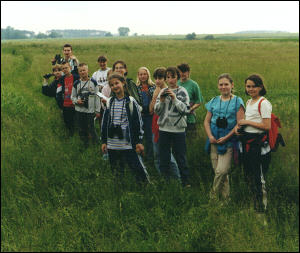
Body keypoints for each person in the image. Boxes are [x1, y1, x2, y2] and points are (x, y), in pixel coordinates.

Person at [101, 72, 150, 183]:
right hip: (113, 143)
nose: (115, 86)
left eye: (117, 83)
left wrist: (138, 141)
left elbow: (138, 123)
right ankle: (119, 189)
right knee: (116, 171)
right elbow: (105, 123)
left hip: (128, 144)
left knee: (138, 169)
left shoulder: (131, 102)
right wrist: (104, 141)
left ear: (123, 83)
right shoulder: (110, 102)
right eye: (112, 85)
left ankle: (145, 188)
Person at [235, 74, 272, 215]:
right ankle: (254, 205)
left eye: (254, 86)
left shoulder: (263, 103)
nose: (251, 89)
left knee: (258, 177)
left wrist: (246, 122)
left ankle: (262, 211)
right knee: (249, 176)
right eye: (248, 86)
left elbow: (266, 126)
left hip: (258, 145)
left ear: (260, 87)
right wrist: (241, 129)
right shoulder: (249, 102)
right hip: (247, 143)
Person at [204, 73, 245, 201]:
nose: (223, 87)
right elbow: (206, 121)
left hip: (229, 141)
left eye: (226, 84)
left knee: (221, 171)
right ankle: (225, 200)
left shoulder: (238, 101)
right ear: (218, 86)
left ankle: (213, 196)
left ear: (232, 85)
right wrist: (210, 136)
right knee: (220, 173)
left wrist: (227, 137)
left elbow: (239, 124)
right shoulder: (214, 100)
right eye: (221, 84)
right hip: (214, 139)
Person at [154, 67, 190, 186]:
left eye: (173, 77)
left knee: (180, 157)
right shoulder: (162, 91)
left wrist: (174, 99)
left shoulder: (182, 91)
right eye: (168, 77)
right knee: (164, 157)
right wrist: (162, 100)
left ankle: (185, 183)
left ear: (177, 78)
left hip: (178, 129)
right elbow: (157, 111)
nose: (170, 80)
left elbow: (185, 110)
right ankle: (166, 182)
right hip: (164, 129)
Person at [150, 67, 181, 179]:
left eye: (161, 78)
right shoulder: (156, 90)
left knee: (166, 154)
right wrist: (155, 96)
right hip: (155, 124)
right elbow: (151, 110)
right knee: (157, 154)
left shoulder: (169, 91)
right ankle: (164, 179)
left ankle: (177, 179)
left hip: (164, 126)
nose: (158, 81)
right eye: (156, 78)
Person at [71, 63, 100, 147]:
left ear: (88, 71)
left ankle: (96, 145)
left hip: (90, 111)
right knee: (81, 129)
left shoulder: (93, 83)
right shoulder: (76, 83)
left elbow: (97, 97)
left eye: (84, 70)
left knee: (91, 129)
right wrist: (77, 101)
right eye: (80, 71)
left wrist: (97, 110)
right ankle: (85, 145)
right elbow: (72, 97)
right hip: (79, 111)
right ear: (78, 72)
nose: (83, 72)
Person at [177, 63, 203, 136]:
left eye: (184, 72)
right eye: (180, 72)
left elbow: (199, 101)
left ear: (188, 72)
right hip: (177, 118)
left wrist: (190, 109)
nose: (182, 74)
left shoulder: (194, 84)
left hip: (190, 118)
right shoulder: (176, 83)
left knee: (191, 139)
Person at [136, 67, 156, 160]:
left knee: (150, 137)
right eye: (141, 74)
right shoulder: (136, 88)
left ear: (148, 75)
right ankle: (141, 156)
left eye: (144, 74)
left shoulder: (153, 86)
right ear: (138, 76)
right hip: (140, 115)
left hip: (151, 116)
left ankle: (150, 157)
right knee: (140, 137)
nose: (143, 76)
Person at [56, 61, 80, 136]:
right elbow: (58, 93)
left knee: (78, 123)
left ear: (70, 67)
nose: (65, 70)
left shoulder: (76, 77)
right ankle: (71, 136)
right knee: (68, 124)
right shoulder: (61, 79)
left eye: (66, 68)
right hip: (66, 105)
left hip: (75, 105)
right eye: (63, 69)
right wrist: (61, 105)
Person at [92, 55, 111, 131]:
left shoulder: (110, 70)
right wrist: (98, 87)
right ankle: (102, 132)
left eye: (104, 62)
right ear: (98, 63)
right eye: (100, 62)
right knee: (101, 116)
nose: (102, 64)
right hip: (99, 98)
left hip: (109, 95)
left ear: (106, 62)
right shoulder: (95, 74)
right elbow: (92, 85)